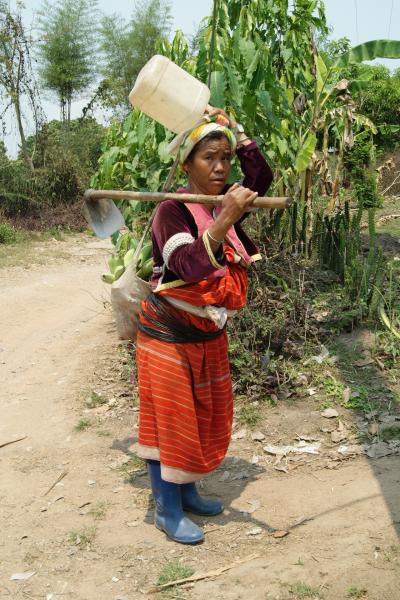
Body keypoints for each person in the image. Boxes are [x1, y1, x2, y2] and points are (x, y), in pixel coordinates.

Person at [135, 108, 273, 544]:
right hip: (167, 337)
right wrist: (227, 219)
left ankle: (188, 492)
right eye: (208, 158)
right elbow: (188, 264)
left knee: (198, 418)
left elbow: (261, 176)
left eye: (225, 158)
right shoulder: (171, 212)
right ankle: (167, 508)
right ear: (186, 164)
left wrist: (237, 129)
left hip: (207, 334)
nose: (219, 167)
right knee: (169, 422)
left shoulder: (223, 201)